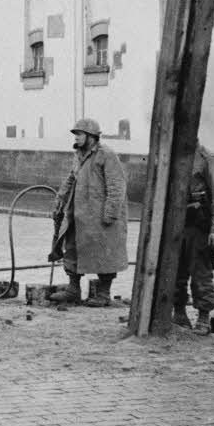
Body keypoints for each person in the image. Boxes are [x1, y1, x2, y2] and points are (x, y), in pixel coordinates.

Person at [49, 118, 128, 307]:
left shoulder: (106, 155)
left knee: (104, 253)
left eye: (79, 134)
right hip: (78, 214)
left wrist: (110, 214)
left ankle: (103, 294)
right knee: (72, 249)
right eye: (75, 134)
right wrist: (60, 200)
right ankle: (73, 289)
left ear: (91, 136)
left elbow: (116, 186)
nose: (76, 138)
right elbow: (71, 178)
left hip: (99, 216)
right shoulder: (78, 155)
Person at [173, 142, 214, 334]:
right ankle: (179, 313)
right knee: (174, 272)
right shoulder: (171, 155)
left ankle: (203, 317)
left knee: (201, 273)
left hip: (198, 226)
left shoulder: (207, 159)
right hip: (175, 224)